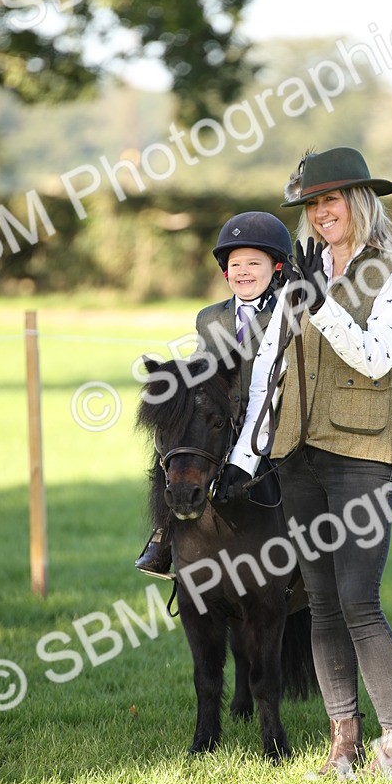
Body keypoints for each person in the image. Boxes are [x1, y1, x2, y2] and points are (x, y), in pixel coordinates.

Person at [237, 146, 392, 775]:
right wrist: (248, 452)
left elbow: (376, 356)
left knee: (357, 600)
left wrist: (319, 303)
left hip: (366, 455)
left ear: (360, 202)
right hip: (299, 454)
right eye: (313, 203)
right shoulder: (302, 271)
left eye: (332, 200)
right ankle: (343, 743)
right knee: (318, 602)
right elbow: (271, 363)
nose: (322, 213)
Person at [134, 211, 293, 578]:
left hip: (272, 418)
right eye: (236, 264)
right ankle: (163, 537)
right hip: (223, 421)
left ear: (278, 268)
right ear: (225, 271)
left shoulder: (289, 312)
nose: (244, 271)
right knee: (172, 447)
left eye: (255, 263)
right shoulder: (209, 317)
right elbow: (204, 371)